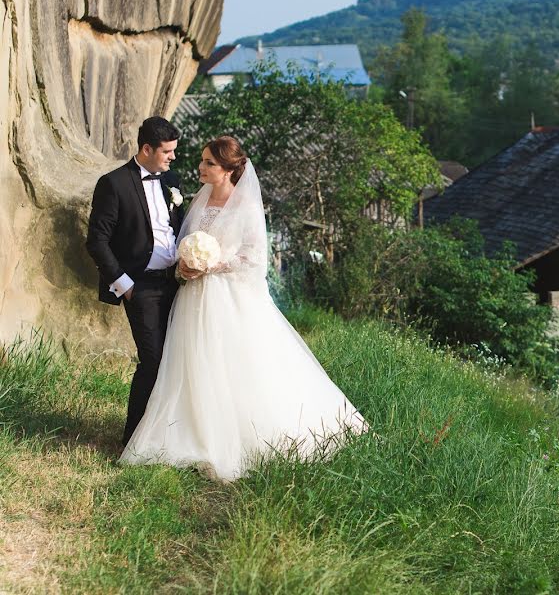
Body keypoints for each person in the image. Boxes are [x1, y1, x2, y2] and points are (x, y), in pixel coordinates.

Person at [120, 136, 367, 481]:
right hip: (193, 297)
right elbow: (181, 245)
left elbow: (255, 261)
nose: (201, 167)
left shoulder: (247, 208)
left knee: (230, 365)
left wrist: (211, 264)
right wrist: (184, 266)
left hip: (228, 297)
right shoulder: (199, 200)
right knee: (192, 363)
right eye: (203, 161)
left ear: (229, 170)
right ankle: (190, 431)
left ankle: (237, 435)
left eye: (209, 163)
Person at [86, 117, 184, 446]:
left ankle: (168, 435)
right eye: (167, 151)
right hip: (140, 287)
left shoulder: (172, 180)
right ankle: (134, 440)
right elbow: (96, 241)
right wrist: (124, 285)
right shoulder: (113, 184)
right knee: (153, 359)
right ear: (146, 149)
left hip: (177, 284)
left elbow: (175, 228)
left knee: (177, 357)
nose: (172, 157)